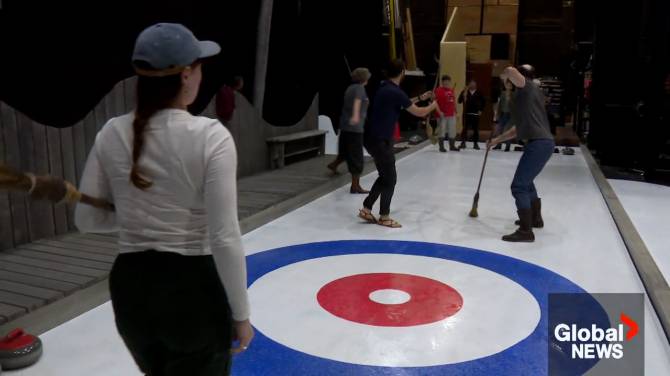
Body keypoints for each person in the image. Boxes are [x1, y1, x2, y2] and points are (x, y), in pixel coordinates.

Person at [74, 23, 253, 375]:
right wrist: (241, 314)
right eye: (200, 67)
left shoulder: (110, 132)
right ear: (186, 75)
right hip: (192, 292)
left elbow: (87, 220)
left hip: (131, 289)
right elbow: (224, 236)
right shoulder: (211, 136)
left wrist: (134, 215)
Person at [358, 59, 438, 228]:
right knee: (390, 179)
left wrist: (420, 97)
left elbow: (401, 103)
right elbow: (419, 112)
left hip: (372, 139)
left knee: (384, 176)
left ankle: (366, 208)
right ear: (402, 72)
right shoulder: (395, 92)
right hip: (380, 141)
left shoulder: (385, 87)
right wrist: (434, 105)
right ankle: (384, 217)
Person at [488, 64, 555, 242]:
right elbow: (517, 129)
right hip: (541, 143)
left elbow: (510, 70)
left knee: (518, 186)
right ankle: (535, 219)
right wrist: (496, 140)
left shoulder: (528, 87)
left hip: (539, 144)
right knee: (527, 182)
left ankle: (526, 231)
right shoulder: (523, 97)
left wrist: (505, 74)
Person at [327, 67, 372, 193]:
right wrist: (356, 116)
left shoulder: (350, 88)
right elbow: (357, 102)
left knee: (345, 151)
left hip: (345, 126)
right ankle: (355, 185)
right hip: (355, 128)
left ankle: (334, 165)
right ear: (364, 78)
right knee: (356, 155)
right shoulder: (360, 89)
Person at [433, 75, 459, 152]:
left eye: (448, 81)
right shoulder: (438, 90)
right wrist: (439, 112)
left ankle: (452, 146)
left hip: (451, 114)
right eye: (445, 81)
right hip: (442, 115)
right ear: (442, 82)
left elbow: (453, 102)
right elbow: (434, 103)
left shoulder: (451, 90)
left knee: (452, 130)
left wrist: (456, 112)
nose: (447, 83)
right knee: (442, 131)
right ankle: (441, 147)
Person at [458, 80, 486, 150]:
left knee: (475, 129)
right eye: (471, 84)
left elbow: (484, 102)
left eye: (474, 84)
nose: (472, 85)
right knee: (465, 129)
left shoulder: (479, 92)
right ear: (469, 84)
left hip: (475, 114)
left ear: (476, 85)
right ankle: (463, 143)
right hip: (466, 113)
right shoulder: (465, 92)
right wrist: (463, 93)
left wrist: (481, 110)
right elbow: (459, 101)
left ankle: (475, 144)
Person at [493, 79, 514, 152]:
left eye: (510, 85)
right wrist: (497, 114)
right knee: (500, 130)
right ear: (505, 86)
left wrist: (510, 99)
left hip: (510, 115)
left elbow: (515, 106)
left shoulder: (513, 94)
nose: (508, 86)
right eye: (507, 85)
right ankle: (499, 145)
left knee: (507, 130)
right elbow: (499, 105)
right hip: (502, 114)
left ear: (511, 86)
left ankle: (507, 146)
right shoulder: (502, 93)